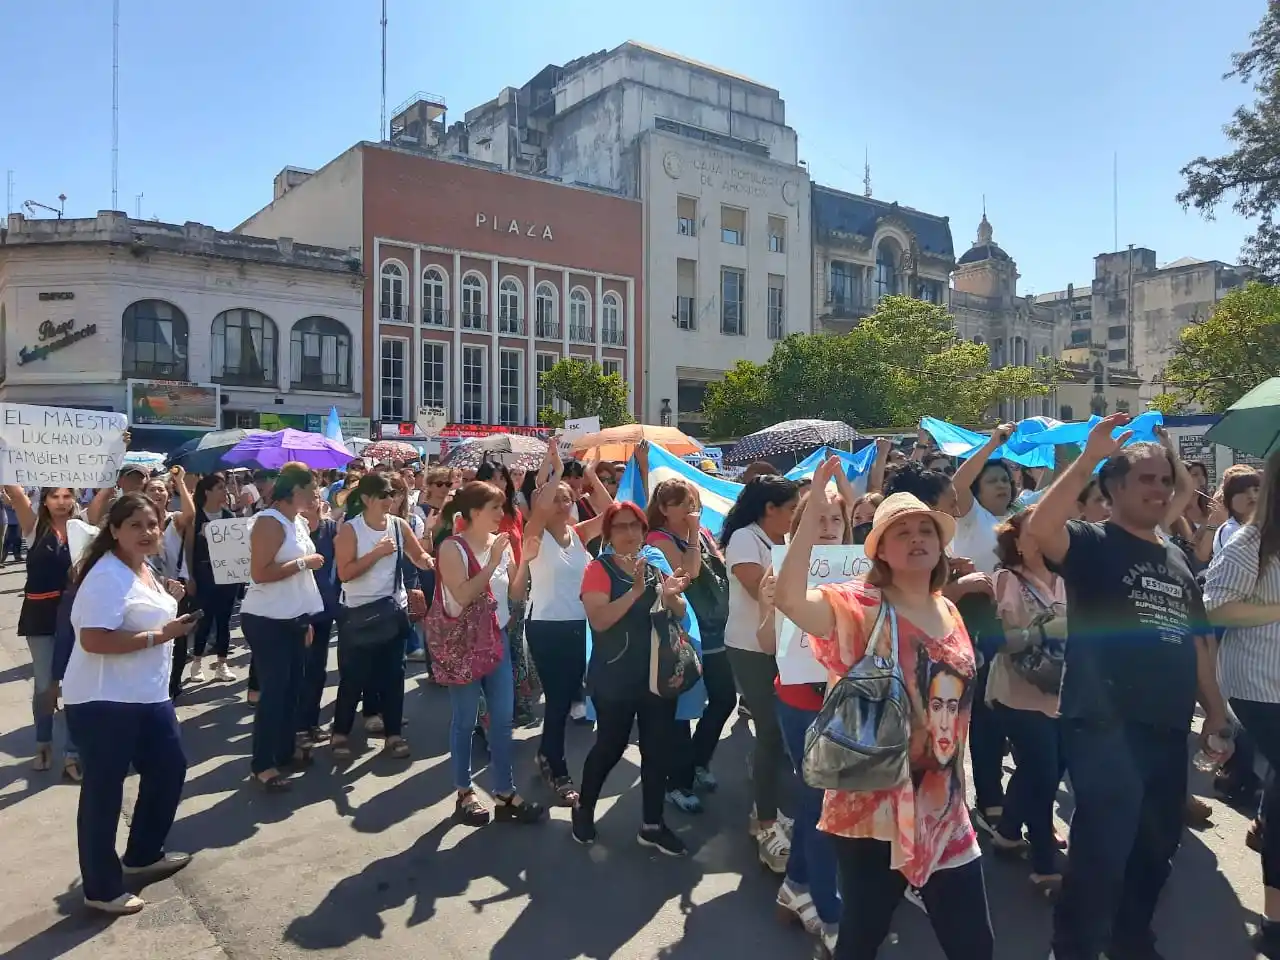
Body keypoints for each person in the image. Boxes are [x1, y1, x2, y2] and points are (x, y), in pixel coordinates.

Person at [1025, 414, 1232, 960]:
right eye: (1147, 479)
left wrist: (1215, 711)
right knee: (1103, 847)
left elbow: (1197, 643)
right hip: (1102, 720)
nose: (1161, 489)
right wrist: (1088, 456)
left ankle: (1131, 941)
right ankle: (1073, 947)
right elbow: (1040, 530)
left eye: (1166, 480)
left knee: (1156, 844)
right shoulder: (1094, 542)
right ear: (1113, 488)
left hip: (1166, 727)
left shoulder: (1176, 559)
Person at [774, 460, 991, 960]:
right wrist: (813, 510)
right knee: (862, 937)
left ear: (940, 545)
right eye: (901, 532)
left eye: (925, 530)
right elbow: (788, 598)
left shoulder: (950, 609)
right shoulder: (861, 606)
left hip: (944, 806)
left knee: (975, 944)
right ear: (881, 551)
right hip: (873, 810)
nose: (916, 538)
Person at [66, 494, 197, 914]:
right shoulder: (106, 575)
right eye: (136, 525)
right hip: (105, 699)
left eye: (154, 524)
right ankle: (101, 889)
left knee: (169, 767)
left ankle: (143, 854)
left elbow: (144, 613)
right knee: (104, 793)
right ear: (115, 530)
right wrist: (161, 634)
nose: (147, 532)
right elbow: (94, 639)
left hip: (148, 694)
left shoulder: (144, 569)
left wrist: (169, 597)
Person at [757, 485, 853, 954]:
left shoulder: (861, 574)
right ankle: (831, 912)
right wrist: (771, 604)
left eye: (836, 519)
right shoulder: (780, 574)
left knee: (820, 803)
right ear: (798, 528)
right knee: (821, 805)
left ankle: (795, 886)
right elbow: (763, 643)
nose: (829, 528)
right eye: (818, 519)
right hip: (800, 701)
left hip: (846, 699)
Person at [572, 501, 691, 856]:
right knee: (610, 747)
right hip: (615, 676)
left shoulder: (653, 565)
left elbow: (680, 614)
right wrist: (636, 592)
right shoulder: (598, 568)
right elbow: (600, 620)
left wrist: (671, 596)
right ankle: (584, 806)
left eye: (635, 526)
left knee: (657, 750)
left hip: (655, 676)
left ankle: (652, 825)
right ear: (608, 533)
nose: (629, 533)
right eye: (621, 527)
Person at [1203, 449, 1280, 957]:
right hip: (1259, 685)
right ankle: (1274, 917)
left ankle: (1264, 829)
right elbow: (1214, 606)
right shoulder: (1251, 541)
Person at [436, 481, 544, 826]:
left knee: (502, 719)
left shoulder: (502, 544)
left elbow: (514, 592)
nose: (502, 513)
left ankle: (504, 790)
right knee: (466, 720)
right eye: (495, 508)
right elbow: (464, 594)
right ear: (473, 512)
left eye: (502, 507)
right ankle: (464, 791)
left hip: (495, 638)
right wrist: (494, 560)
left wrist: (523, 560)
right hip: (463, 644)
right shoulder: (452, 548)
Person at [986, 508, 1068, 897]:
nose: (1041, 539)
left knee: (1040, 769)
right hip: (1017, 695)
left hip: (1064, 693)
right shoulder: (1006, 579)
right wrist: (1046, 629)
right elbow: (1003, 642)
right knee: (1045, 774)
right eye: (1031, 533)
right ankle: (1044, 863)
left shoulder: (1069, 579)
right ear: (1015, 541)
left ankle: (1006, 833)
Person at [721, 473, 800, 873]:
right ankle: (765, 821)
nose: (795, 516)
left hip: (784, 645)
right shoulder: (744, 540)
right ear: (769, 509)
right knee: (769, 730)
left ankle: (770, 805)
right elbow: (759, 590)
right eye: (791, 509)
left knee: (783, 732)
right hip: (751, 647)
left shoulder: (784, 539)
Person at [522, 445, 610, 805]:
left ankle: (546, 753)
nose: (563, 503)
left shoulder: (578, 535)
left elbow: (611, 511)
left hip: (578, 626)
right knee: (558, 698)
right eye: (555, 498)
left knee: (564, 696)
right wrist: (555, 471)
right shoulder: (535, 533)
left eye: (567, 499)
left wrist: (588, 475)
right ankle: (557, 768)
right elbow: (540, 509)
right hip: (545, 625)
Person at [647, 479, 735, 813]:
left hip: (717, 629)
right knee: (682, 712)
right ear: (665, 509)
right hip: (685, 632)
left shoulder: (703, 535)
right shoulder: (658, 539)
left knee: (724, 697)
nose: (690, 510)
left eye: (693, 502)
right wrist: (695, 532)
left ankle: (697, 760)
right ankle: (678, 782)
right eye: (682, 504)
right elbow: (692, 570)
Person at [332, 472, 434, 760]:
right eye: (384, 495)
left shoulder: (399, 525)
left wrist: (430, 561)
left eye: (393, 494)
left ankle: (393, 734)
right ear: (366, 499)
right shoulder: (351, 531)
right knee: (353, 677)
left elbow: (418, 556)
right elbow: (345, 574)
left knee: (393, 675)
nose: (390, 500)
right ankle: (339, 734)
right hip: (358, 613)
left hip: (392, 611)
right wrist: (376, 553)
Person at [237, 463, 327, 791]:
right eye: (312, 487)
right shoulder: (268, 521)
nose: (317, 493)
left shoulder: (296, 521)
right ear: (296, 490)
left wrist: (304, 618)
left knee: (292, 690)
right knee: (274, 694)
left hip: (294, 616)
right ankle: (262, 764)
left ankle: (284, 752)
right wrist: (303, 563)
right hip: (267, 618)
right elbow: (261, 572)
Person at [5, 484, 92, 781]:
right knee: (45, 683)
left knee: (74, 684)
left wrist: (117, 449)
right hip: (40, 616)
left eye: (67, 496)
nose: (61, 501)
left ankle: (73, 752)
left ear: (75, 499)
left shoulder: (83, 527)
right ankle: (43, 743)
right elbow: (15, 493)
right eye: (55, 496)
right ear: (45, 500)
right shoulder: (33, 527)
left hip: (75, 615)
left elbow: (105, 493)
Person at [186, 473, 243, 685]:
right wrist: (190, 576)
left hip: (227, 577)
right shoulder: (196, 516)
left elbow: (238, 549)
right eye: (219, 487)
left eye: (225, 487)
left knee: (224, 621)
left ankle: (222, 663)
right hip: (204, 576)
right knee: (204, 619)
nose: (225, 491)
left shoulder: (229, 516)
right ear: (207, 491)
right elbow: (189, 549)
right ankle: (197, 663)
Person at [297, 490, 340, 746]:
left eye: (315, 495)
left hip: (324, 608)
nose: (313, 499)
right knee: (298, 670)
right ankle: (297, 726)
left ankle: (311, 723)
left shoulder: (332, 528)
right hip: (298, 609)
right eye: (307, 495)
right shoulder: (292, 530)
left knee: (316, 670)